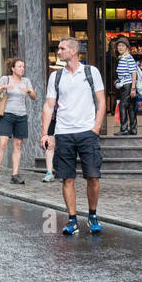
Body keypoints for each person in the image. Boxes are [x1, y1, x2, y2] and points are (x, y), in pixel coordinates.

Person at [39, 38, 105, 235]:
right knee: (67, 178)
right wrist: (45, 133)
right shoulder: (56, 77)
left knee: (93, 176)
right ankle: (72, 219)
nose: (58, 51)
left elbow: (101, 101)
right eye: (58, 48)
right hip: (64, 133)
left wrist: (96, 127)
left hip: (87, 132)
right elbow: (49, 105)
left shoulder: (91, 72)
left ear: (74, 51)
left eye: (62, 48)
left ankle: (92, 215)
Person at [0, 58, 35, 185]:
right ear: (13, 68)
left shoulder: (26, 81)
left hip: (21, 116)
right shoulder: (5, 79)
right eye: (20, 66)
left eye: (23, 67)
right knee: (3, 144)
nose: (22, 69)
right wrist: (3, 87)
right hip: (7, 115)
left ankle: (14, 175)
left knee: (18, 145)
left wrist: (29, 91)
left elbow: (34, 97)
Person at [112, 37, 140, 135]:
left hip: (128, 86)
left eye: (123, 46)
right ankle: (133, 129)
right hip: (126, 85)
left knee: (122, 107)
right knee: (130, 107)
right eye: (119, 46)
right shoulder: (123, 58)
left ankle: (124, 129)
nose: (120, 48)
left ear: (127, 47)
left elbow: (134, 73)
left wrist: (133, 88)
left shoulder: (128, 58)